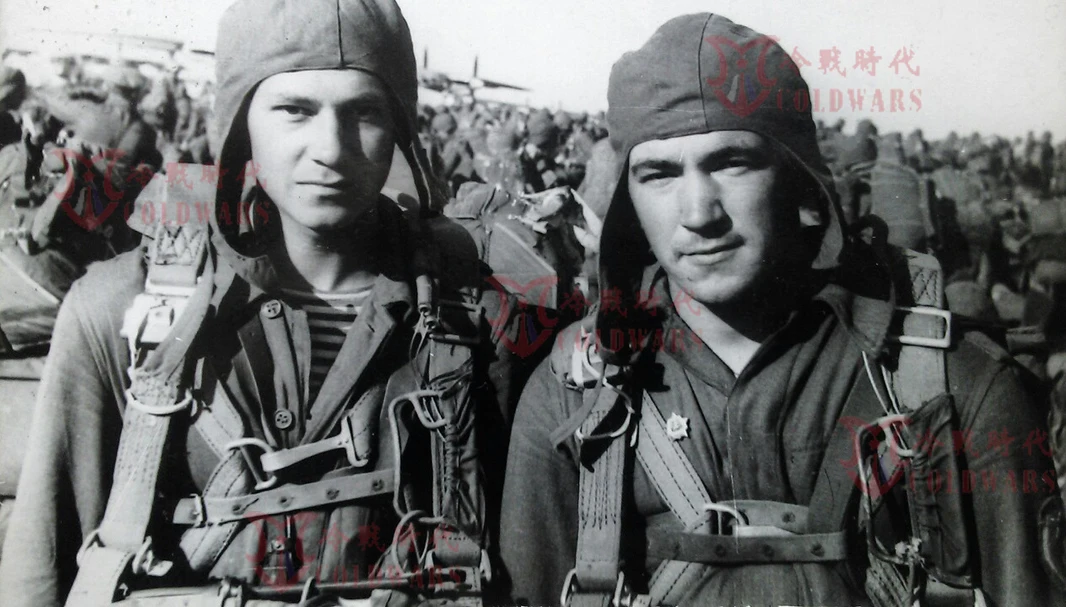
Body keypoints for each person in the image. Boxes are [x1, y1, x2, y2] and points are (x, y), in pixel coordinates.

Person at [500, 13, 1059, 607]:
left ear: (798, 177)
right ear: (628, 201)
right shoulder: (574, 397)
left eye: (731, 162)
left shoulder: (951, 389)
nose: (699, 212)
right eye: (659, 174)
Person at [0, 1, 532, 605]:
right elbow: (40, 572)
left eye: (364, 112)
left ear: (400, 130)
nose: (329, 149)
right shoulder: (120, 310)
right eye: (295, 110)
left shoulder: (477, 325)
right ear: (241, 123)